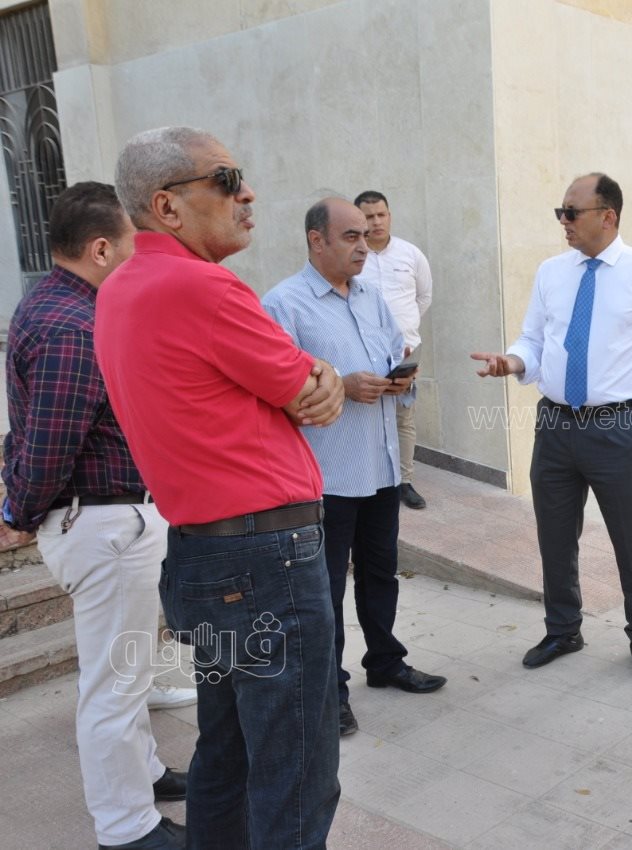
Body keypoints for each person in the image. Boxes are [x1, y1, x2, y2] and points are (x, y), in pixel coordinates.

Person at [95, 127, 345, 850]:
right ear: (167, 207)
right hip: (266, 559)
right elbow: (306, 390)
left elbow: (297, 386)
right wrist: (319, 374)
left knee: (227, 753)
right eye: (227, 179)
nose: (248, 193)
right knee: (296, 772)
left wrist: (309, 378)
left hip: (205, 558)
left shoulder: (120, 289)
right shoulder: (202, 287)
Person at [1, 182, 187, 850]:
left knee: (125, 670)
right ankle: (125, 826)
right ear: (101, 248)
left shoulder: (60, 305)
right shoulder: (71, 327)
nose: (143, 258)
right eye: (135, 246)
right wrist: (18, 510)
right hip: (103, 526)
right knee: (114, 683)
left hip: (108, 522)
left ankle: (145, 772)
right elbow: (48, 444)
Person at [471, 172, 632, 683]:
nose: (563, 222)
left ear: (608, 216)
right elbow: (533, 339)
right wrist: (512, 362)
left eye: (571, 212)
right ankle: (563, 630)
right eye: (561, 212)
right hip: (554, 425)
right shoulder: (552, 272)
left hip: (617, 428)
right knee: (554, 537)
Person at [263, 198, 446, 738]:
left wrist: (399, 378)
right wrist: (341, 385)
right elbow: (275, 390)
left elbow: (392, 353)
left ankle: (386, 662)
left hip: (382, 466)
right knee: (324, 591)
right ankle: (330, 692)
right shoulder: (284, 304)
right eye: (351, 236)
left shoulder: (371, 297)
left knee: (380, 573)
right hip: (327, 476)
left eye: (366, 235)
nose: (364, 246)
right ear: (316, 240)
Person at [353, 190, 433, 510]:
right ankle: (369, 480)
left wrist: (404, 330)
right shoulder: (354, 258)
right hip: (363, 352)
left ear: (389, 216)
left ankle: (404, 481)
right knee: (365, 417)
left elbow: (423, 297)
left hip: (405, 352)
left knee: (403, 418)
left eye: (381, 214)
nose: (376, 222)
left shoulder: (411, 254)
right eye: (368, 217)